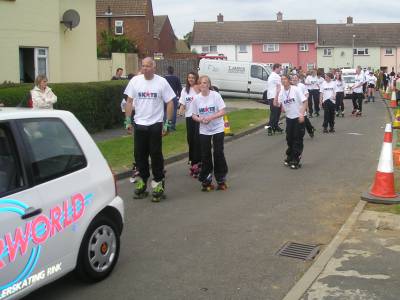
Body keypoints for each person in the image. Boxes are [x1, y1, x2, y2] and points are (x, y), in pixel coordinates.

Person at [124, 57, 176, 202]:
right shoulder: (135, 81)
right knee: (139, 155)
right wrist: (128, 120)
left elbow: (170, 102)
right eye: (143, 66)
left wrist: (167, 123)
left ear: (154, 67)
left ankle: (158, 183)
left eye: (148, 66)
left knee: (155, 154)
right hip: (140, 123)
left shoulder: (161, 82)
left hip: (156, 123)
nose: (145, 68)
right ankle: (142, 181)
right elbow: (129, 101)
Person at [192, 75, 228, 191]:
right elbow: (193, 115)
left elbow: (223, 111)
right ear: (199, 85)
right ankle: (206, 178)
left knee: (218, 152)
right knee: (205, 154)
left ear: (209, 85)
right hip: (204, 129)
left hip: (217, 127)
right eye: (202, 83)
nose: (204, 85)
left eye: (206, 83)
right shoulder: (196, 99)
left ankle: (220, 178)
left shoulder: (215, 96)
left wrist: (211, 117)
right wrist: (200, 119)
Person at [273, 75, 307, 169]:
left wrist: (301, 114)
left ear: (289, 80)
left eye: (285, 79)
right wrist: (277, 92)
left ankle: (296, 159)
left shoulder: (296, 89)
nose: (283, 81)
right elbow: (276, 104)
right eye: (281, 80)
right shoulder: (282, 92)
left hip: (298, 117)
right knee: (289, 138)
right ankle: (290, 156)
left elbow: (305, 101)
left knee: (297, 139)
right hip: (289, 118)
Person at [178, 72, 201, 177]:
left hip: (198, 117)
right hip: (189, 117)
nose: (191, 79)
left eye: (193, 77)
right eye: (189, 77)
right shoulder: (184, 90)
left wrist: (197, 89)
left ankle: (198, 162)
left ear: (196, 78)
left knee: (197, 139)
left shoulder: (198, 88)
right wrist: (180, 110)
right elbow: (183, 103)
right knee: (190, 139)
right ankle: (192, 161)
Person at [266, 63, 283, 135]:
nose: (281, 69)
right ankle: (269, 128)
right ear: (276, 68)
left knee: (277, 113)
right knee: (274, 113)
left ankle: (275, 126)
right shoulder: (276, 76)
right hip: (274, 97)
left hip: (273, 96)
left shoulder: (271, 75)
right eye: (280, 68)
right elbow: (280, 87)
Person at [164, 66, 182, 131]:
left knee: (165, 111)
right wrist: (180, 97)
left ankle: (165, 125)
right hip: (173, 96)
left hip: (165, 97)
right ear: (173, 71)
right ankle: (172, 126)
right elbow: (180, 88)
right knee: (174, 111)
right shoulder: (176, 78)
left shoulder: (164, 78)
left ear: (167, 71)